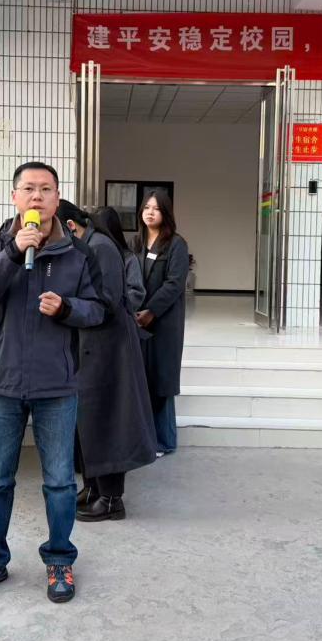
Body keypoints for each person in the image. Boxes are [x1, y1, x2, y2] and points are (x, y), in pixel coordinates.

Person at [0, 162, 106, 604]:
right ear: (15, 197)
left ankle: (59, 559)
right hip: (2, 381)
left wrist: (67, 308)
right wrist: (12, 252)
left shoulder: (79, 254)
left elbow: (99, 310)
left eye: (45, 189)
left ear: (57, 199)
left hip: (56, 384)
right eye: (28, 189)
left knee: (60, 482)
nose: (37, 196)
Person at [57, 201, 158, 522]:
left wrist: (65, 307)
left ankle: (112, 500)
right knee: (90, 420)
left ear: (70, 226)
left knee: (109, 420)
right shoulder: (88, 244)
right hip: (93, 346)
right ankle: (94, 488)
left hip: (109, 349)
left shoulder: (100, 247)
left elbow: (106, 301)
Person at [132, 190, 189, 456]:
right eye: (146, 207)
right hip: (138, 319)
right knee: (142, 378)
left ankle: (164, 441)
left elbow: (175, 283)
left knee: (162, 379)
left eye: (156, 208)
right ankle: (146, 439)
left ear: (165, 213)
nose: (150, 212)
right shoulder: (136, 243)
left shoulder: (176, 244)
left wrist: (151, 311)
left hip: (164, 322)